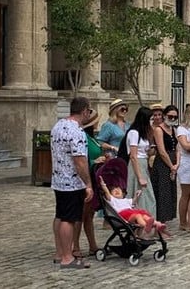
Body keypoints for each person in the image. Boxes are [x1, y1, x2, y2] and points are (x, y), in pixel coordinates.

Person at [50, 96, 93, 269]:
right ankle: (67, 257)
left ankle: (59, 252)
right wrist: (88, 184)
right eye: (89, 111)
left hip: (58, 178)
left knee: (60, 215)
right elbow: (80, 161)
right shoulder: (77, 131)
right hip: (72, 181)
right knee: (69, 219)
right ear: (84, 111)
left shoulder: (58, 126)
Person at [72, 110, 104, 259]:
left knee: (89, 214)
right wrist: (94, 161)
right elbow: (80, 158)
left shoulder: (93, 137)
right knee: (81, 214)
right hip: (85, 177)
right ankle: (75, 246)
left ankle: (92, 244)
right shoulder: (83, 136)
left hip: (94, 175)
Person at [99, 177, 166, 235]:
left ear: (123, 193)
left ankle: (157, 224)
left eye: (118, 189)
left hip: (132, 214)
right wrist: (103, 185)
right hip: (124, 216)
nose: (116, 190)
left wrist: (136, 195)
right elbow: (106, 192)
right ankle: (145, 226)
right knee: (138, 215)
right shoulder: (112, 200)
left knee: (144, 215)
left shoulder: (126, 200)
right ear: (111, 194)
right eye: (113, 191)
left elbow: (133, 201)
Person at [123, 107, 157, 219]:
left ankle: (148, 222)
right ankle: (142, 222)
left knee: (147, 196)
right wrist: (140, 176)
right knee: (141, 194)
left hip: (143, 163)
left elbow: (147, 152)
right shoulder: (134, 133)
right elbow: (133, 156)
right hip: (137, 166)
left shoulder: (144, 134)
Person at [151, 105, 180, 229]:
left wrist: (177, 164)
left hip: (173, 161)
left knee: (170, 191)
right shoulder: (159, 130)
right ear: (165, 115)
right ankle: (160, 222)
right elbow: (161, 150)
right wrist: (170, 165)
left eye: (175, 117)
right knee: (162, 191)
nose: (172, 119)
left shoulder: (173, 129)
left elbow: (178, 148)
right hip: (163, 163)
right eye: (170, 116)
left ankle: (166, 219)